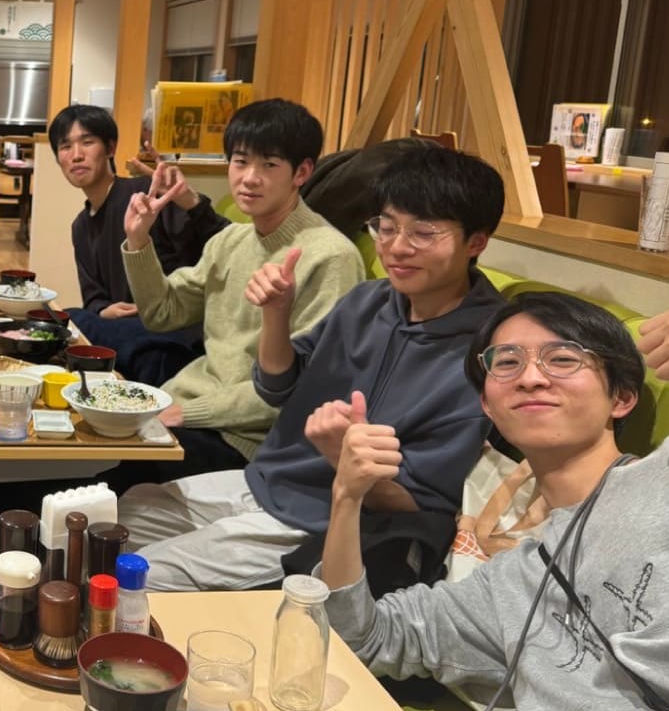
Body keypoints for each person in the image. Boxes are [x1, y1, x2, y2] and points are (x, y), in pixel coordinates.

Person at [321, 293, 669, 711]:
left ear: (622, 397)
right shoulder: (513, 580)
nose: (531, 377)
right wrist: (346, 497)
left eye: (562, 359)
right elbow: (362, 637)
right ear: (488, 405)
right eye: (507, 362)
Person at [120, 146, 506, 591]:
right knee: (110, 520)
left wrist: (346, 460)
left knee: (137, 578)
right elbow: (278, 385)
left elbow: (420, 505)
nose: (397, 247)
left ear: (476, 242)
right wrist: (277, 313)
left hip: (323, 524)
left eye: (423, 233)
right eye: (386, 227)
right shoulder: (368, 301)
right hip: (265, 481)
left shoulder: (487, 353)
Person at [117, 98, 362, 480]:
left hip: (246, 440)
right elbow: (162, 313)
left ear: (301, 172)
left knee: (100, 476)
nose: (249, 177)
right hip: (187, 407)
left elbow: (305, 387)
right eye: (240, 161)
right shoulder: (230, 241)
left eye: (269, 164)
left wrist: (188, 413)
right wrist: (138, 241)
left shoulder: (331, 257)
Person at [50, 103, 228, 385]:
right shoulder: (81, 226)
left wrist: (189, 201)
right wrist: (103, 310)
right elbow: (93, 295)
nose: (76, 155)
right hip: (126, 331)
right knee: (64, 320)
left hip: (173, 333)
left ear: (110, 148)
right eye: (65, 146)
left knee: (72, 323)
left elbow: (216, 246)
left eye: (87, 142)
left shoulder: (145, 195)